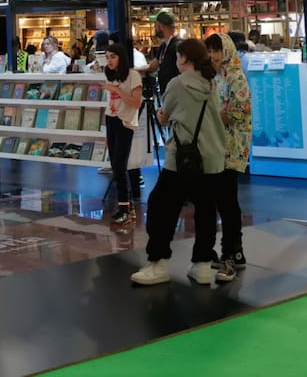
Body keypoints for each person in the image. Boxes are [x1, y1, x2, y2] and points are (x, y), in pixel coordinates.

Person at [131, 38, 227, 287]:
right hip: (213, 158)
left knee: (161, 206)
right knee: (206, 211)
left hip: (183, 160)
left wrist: (164, 115)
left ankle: (158, 263)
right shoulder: (211, 82)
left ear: (184, 58)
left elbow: (164, 117)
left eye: (177, 56)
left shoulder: (177, 84)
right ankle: (203, 265)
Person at [205, 32, 253, 281]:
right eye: (210, 51)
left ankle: (233, 252)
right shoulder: (218, 76)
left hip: (232, 147)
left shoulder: (235, 76)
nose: (212, 55)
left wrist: (217, 117)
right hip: (218, 145)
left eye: (216, 50)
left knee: (227, 201)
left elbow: (242, 109)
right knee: (221, 199)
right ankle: (230, 252)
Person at [102, 42, 144, 224]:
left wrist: (117, 90)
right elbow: (110, 104)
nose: (109, 61)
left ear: (121, 57)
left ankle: (125, 207)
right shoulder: (110, 75)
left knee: (120, 165)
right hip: (111, 119)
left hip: (125, 122)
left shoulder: (133, 75)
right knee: (115, 165)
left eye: (113, 57)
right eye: (107, 57)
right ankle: (126, 206)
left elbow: (136, 103)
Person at [145, 9, 181, 97]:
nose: (154, 27)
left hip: (176, 96)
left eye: (155, 25)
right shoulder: (164, 45)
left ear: (161, 26)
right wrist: (133, 69)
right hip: (166, 96)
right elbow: (153, 66)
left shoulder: (178, 46)